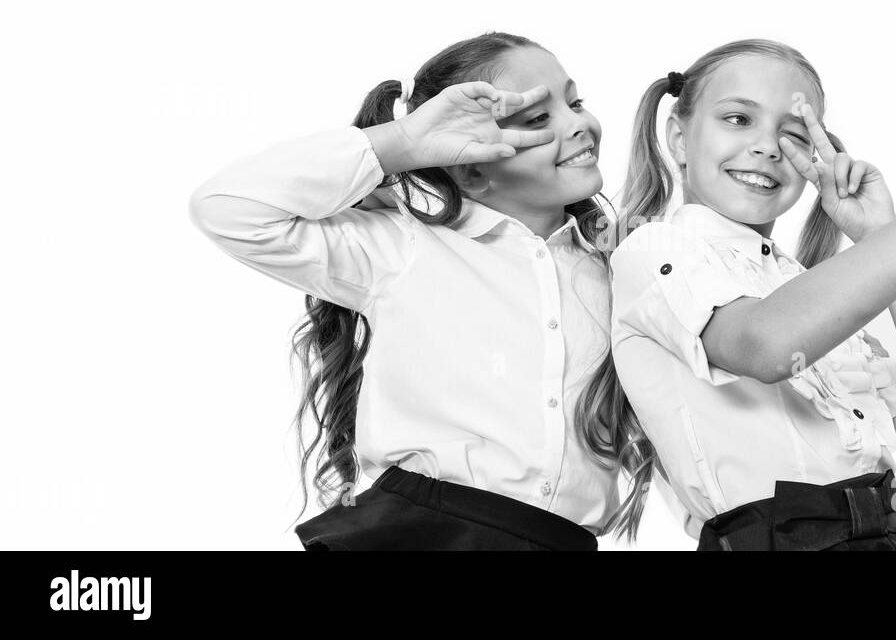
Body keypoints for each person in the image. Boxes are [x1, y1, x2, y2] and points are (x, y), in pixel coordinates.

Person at [609, 39, 896, 550]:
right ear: (678, 138)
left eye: (791, 133)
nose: (768, 146)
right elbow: (764, 346)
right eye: (738, 120)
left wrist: (883, 234)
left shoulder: (813, 290)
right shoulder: (655, 249)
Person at [190, 32, 653, 550]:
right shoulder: (404, 247)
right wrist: (403, 143)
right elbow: (228, 210)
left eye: (575, 102)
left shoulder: (619, 268)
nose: (579, 125)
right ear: (473, 170)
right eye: (538, 119)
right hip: (422, 534)